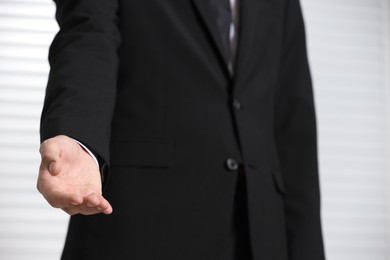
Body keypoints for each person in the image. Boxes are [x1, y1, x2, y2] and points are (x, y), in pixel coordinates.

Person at [37, 0, 325, 259]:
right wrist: (76, 134)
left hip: (260, 235)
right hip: (143, 228)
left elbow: (293, 122)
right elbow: (88, 32)